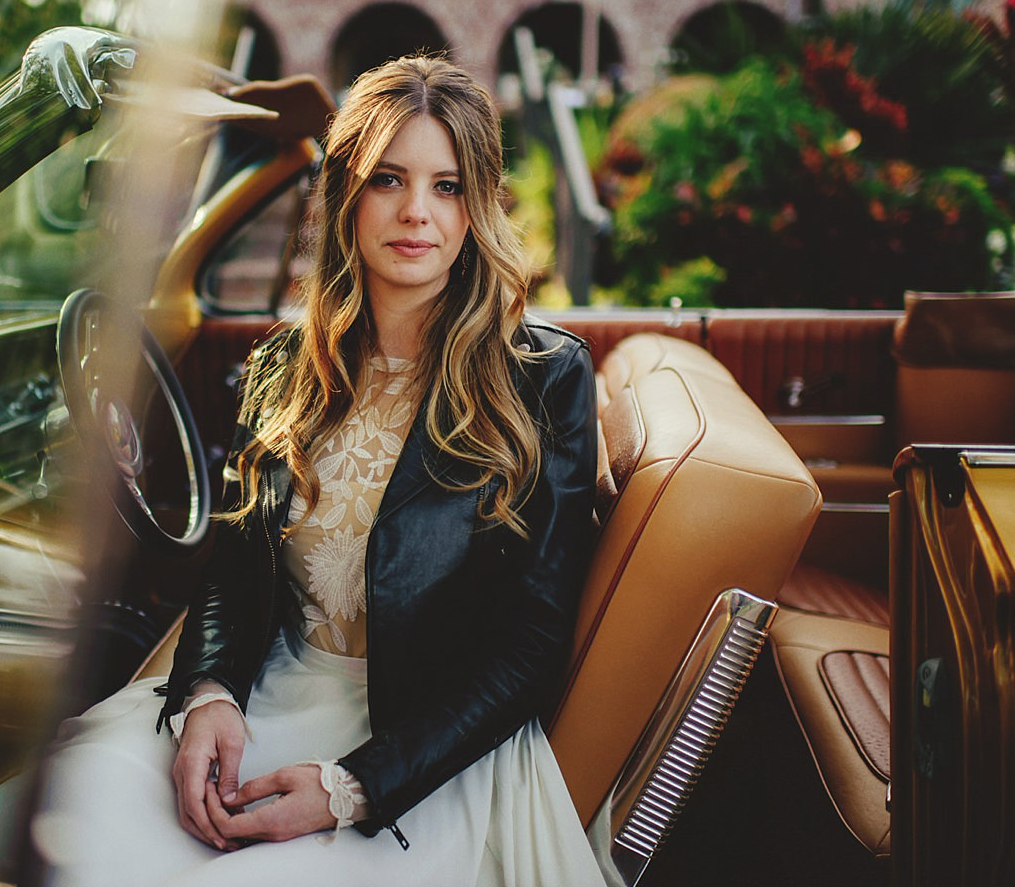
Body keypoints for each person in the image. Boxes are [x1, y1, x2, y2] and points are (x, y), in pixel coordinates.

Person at [33, 56, 607, 886]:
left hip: (428, 749)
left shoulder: (545, 378)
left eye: (447, 186)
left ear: (478, 205)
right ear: (347, 195)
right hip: (267, 694)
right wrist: (208, 697)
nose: (417, 212)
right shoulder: (281, 367)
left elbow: (530, 647)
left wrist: (352, 788)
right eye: (389, 180)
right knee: (71, 817)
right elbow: (233, 568)